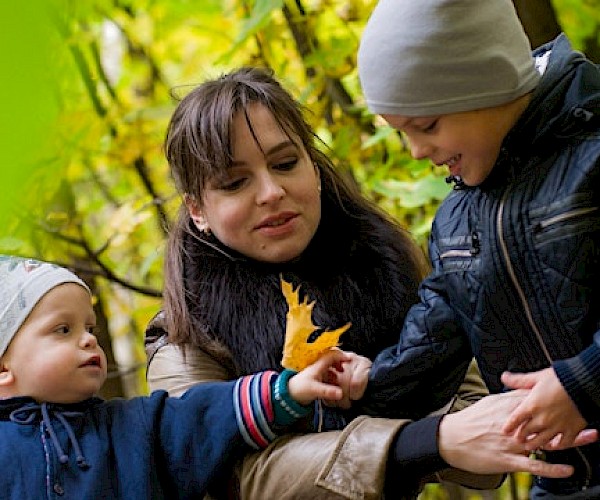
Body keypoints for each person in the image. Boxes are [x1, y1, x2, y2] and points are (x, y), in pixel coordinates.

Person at [143, 66, 593, 499]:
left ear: (313, 167)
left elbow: (470, 395)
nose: (271, 192)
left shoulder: (387, 266)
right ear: (197, 209)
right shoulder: (186, 333)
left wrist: (378, 385)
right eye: (235, 182)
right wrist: (424, 442)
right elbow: (227, 476)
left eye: (284, 163)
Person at [356, 0, 600, 497]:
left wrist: (584, 382)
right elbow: (429, 346)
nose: (416, 151)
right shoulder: (456, 221)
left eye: (426, 126)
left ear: (489, 81)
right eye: (400, 132)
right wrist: (364, 384)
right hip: (568, 483)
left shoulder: (592, 154)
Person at [0, 255, 353, 499]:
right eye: (63, 329)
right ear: (3, 369)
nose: (89, 338)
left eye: (89, 327)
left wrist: (288, 390)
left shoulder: (135, 427)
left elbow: (204, 417)